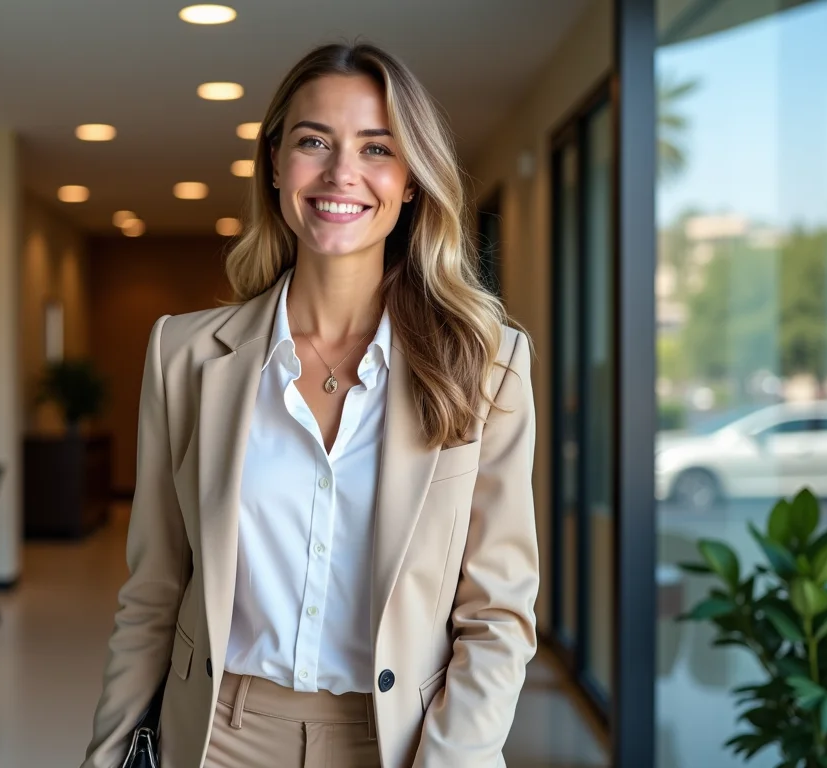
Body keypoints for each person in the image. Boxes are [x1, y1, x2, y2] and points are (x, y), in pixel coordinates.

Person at [82, 42, 537, 768]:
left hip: (399, 745)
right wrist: (104, 757)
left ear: (412, 179)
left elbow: (497, 615)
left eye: (376, 147)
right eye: (313, 141)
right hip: (216, 738)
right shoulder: (185, 356)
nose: (340, 174)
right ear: (273, 164)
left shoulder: (486, 366)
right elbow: (153, 595)